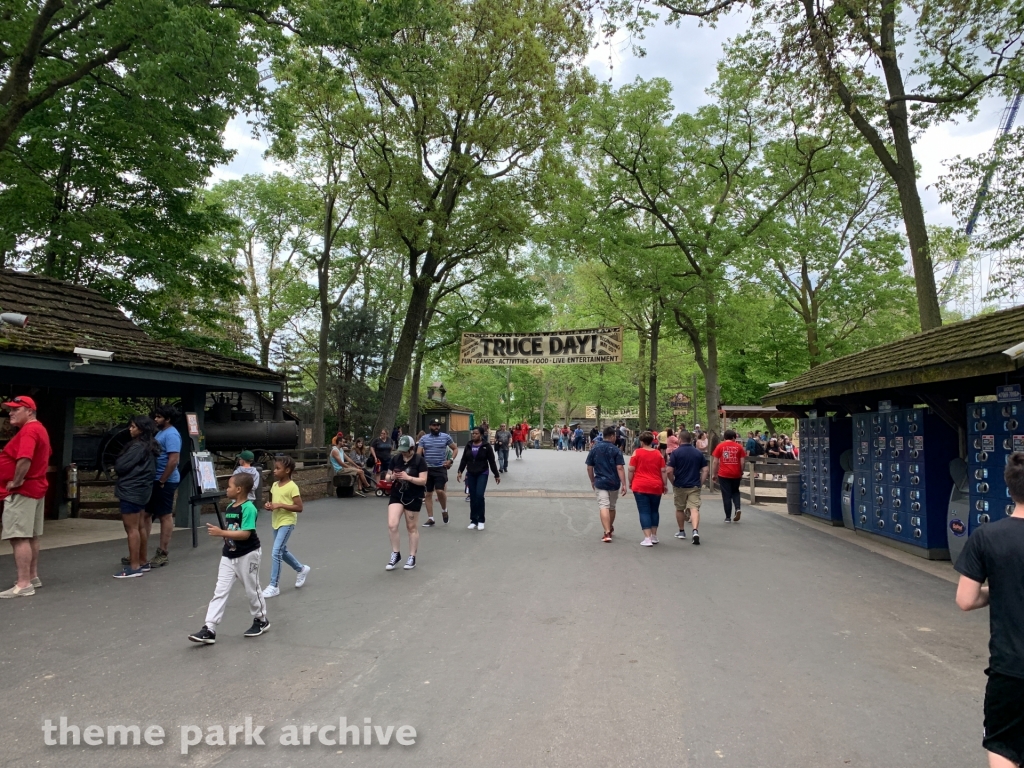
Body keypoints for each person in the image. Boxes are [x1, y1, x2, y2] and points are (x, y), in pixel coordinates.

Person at [955, 452, 1024, 768]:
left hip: (1010, 668)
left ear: (1010, 488)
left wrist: (996, 590)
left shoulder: (987, 537)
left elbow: (966, 600)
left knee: (1003, 745)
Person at [188, 473, 269, 644]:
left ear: (239, 489)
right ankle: (209, 628)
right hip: (229, 554)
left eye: (229, 486)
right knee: (220, 591)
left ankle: (261, 620)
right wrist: (225, 536)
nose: (227, 489)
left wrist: (221, 533)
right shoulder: (231, 506)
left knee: (251, 589)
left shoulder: (249, 508)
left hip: (248, 554)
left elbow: (246, 534)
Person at [0, 396, 51, 598]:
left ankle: (23, 583)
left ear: (29, 411)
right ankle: (32, 576)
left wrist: (16, 480)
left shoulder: (29, 431)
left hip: (23, 490)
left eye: (15, 409)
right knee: (30, 534)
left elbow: (24, 458)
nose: (10, 413)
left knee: (19, 536)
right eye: (9, 409)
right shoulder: (40, 429)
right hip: (36, 487)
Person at [113, 416, 160, 578]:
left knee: (131, 529)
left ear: (141, 429)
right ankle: (142, 560)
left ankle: (134, 566)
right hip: (143, 490)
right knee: (140, 527)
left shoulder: (137, 447)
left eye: (133, 426)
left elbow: (120, 466)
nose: (130, 429)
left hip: (131, 490)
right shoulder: (150, 446)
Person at [261, 455, 309, 598]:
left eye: (277, 468)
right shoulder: (275, 485)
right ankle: (301, 569)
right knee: (282, 551)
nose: (274, 471)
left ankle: (273, 585)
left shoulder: (292, 487)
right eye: (274, 468)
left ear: (287, 470)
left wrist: (280, 505)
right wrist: (269, 505)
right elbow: (274, 502)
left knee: (276, 551)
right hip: (276, 521)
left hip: (287, 522)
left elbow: (299, 508)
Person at [385, 435, 428, 571]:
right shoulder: (396, 459)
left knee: (411, 527)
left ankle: (412, 556)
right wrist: (392, 477)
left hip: (413, 496)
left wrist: (408, 477)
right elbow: (387, 477)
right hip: (397, 494)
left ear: (412, 448)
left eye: (406, 450)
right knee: (392, 524)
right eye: (401, 450)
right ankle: (395, 554)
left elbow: (423, 480)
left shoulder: (419, 461)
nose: (403, 452)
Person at [586, 425, 627, 543]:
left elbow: (589, 467)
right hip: (614, 482)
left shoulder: (594, 448)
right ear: (613, 436)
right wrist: (624, 484)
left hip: (600, 481)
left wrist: (592, 480)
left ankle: (607, 531)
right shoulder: (616, 450)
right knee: (612, 507)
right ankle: (610, 527)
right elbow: (620, 467)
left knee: (603, 505)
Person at [667, 430, 709, 545]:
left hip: (680, 484)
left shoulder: (676, 453)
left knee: (680, 508)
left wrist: (673, 482)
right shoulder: (698, 453)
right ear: (690, 440)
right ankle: (695, 531)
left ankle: (681, 531)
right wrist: (701, 482)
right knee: (694, 508)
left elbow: (669, 471)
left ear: (680, 439)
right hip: (694, 484)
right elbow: (705, 470)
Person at [628, 431, 669, 547]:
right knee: (654, 510)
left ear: (641, 441)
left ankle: (647, 538)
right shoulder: (658, 454)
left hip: (640, 485)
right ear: (652, 441)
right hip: (656, 485)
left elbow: (631, 469)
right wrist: (664, 484)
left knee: (644, 511)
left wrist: (630, 482)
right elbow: (663, 470)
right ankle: (654, 536)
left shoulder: (637, 453)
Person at [457, 427, 500, 530]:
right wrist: (460, 471)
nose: (474, 435)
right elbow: (464, 459)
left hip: (482, 473)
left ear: (481, 435)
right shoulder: (469, 445)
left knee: (479, 495)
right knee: (473, 497)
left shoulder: (486, 446)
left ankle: (481, 520)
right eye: (473, 433)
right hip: (471, 473)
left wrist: (496, 474)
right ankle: (473, 520)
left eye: (476, 433)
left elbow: (492, 461)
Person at [418, 418, 458, 526]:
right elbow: (418, 455)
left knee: (440, 491)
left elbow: (455, 449)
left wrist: (451, 460)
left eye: (438, 425)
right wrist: (417, 467)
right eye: (434, 425)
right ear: (430, 426)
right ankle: (431, 518)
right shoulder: (424, 439)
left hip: (440, 468)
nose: (436, 427)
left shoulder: (446, 437)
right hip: (427, 469)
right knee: (428, 494)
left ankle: (444, 510)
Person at [711, 429, 747, 523]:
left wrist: (714, 474)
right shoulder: (739, 447)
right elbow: (742, 462)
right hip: (736, 473)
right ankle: (738, 508)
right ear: (734, 437)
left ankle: (728, 517)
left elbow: (715, 462)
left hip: (723, 473)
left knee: (726, 494)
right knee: (735, 491)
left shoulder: (720, 446)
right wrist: (741, 472)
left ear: (724, 437)